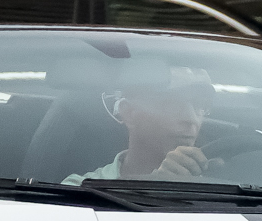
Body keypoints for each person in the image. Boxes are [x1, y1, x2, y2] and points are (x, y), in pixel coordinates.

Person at [66, 63, 215, 183]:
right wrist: (156, 186)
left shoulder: (223, 189)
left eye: (200, 106)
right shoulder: (78, 190)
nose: (191, 119)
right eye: (172, 105)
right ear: (130, 114)